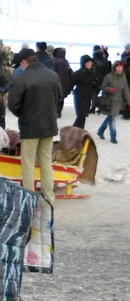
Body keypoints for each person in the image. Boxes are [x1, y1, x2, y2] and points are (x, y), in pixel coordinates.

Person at [8, 49, 61, 203]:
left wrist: (23, 114)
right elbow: (59, 99)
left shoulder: (21, 78)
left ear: (24, 62)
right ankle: (49, 197)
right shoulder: (53, 76)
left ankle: (29, 199)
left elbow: (13, 104)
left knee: (28, 164)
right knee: (46, 162)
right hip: (49, 126)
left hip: (30, 127)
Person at [97, 61, 130, 144]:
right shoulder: (108, 77)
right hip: (110, 101)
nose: (120, 69)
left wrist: (129, 101)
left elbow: (126, 91)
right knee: (112, 118)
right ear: (114, 67)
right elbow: (103, 87)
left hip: (118, 102)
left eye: (121, 67)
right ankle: (113, 137)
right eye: (118, 67)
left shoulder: (123, 78)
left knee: (110, 117)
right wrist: (109, 89)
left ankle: (100, 131)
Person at [71, 55, 96, 129]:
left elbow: (94, 86)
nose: (89, 64)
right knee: (81, 115)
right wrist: (62, 96)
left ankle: (76, 131)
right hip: (79, 96)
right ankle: (76, 131)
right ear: (83, 63)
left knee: (83, 116)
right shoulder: (78, 73)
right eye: (87, 62)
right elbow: (71, 85)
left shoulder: (92, 73)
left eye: (90, 62)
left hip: (88, 97)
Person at [53, 48, 73, 118]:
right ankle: (59, 112)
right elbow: (70, 72)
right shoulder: (65, 61)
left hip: (55, 82)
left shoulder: (54, 61)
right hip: (65, 83)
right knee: (61, 98)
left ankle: (55, 111)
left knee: (54, 98)